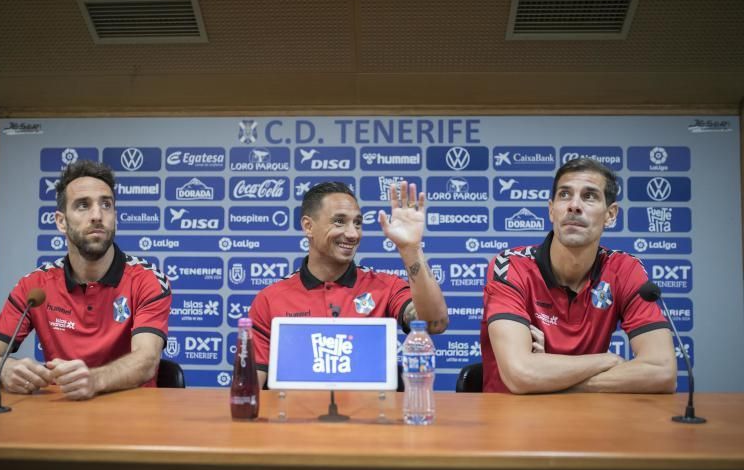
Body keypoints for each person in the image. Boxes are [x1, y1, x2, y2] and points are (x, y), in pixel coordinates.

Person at [0, 160, 171, 400]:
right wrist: (2, 369)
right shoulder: (34, 286)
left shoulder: (147, 280)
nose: (97, 215)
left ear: (115, 215)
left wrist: (94, 380)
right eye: (83, 205)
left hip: (132, 417)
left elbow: (146, 361)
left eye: (106, 204)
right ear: (61, 222)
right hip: (61, 412)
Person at [481, 157, 677, 394]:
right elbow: (521, 374)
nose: (574, 205)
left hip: (591, 419)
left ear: (611, 215)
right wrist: (606, 361)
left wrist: (552, 379)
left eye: (589, 196)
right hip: (511, 420)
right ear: (551, 210)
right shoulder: (510, 265)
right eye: (564, 195)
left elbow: (662, 372)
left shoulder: (625, 269)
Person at [249, 180, 449, 388]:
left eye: (358, 223)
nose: (353, 234)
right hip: (296, 417)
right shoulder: (270, 299)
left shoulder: (385, 287)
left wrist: (410, 249)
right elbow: (252, 389)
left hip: (369, 416)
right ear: (308, 226)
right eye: (339, 222)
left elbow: (435, 323)